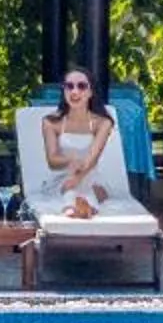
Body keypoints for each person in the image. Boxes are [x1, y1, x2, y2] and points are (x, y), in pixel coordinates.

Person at [35, 70, 117, 220]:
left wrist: (77, 178)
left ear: (91, 91)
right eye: (69, 86)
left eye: (81, 86)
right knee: (70, 189)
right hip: (61, 176)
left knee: (89, 189)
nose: (75, 91)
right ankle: (78, 208)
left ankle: (80, 207)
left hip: (89, 174)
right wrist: (70, 160)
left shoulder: (103, 123)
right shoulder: (51, 122)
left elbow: (93, 159)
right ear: (64, 91)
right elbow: (52, 161)